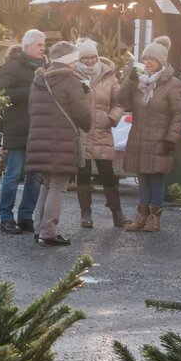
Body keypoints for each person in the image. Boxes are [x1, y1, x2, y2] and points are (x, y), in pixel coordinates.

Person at [26, 41, 91, 246]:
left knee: (47, 184)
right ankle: (49, 232)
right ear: (69, 60)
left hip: (40, 139)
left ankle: (39, 229)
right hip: (61, 140)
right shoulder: (70, 81)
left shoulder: (38, 79)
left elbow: (31, 110)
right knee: (58, 186)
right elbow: (83, 115)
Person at [117, 36, 181, 232]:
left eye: (151, 60)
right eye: (145, 59)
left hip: (160, 138)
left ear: (161, 61)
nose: (147, 63)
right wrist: (129, 80)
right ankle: (141, 216)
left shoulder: (173, 84)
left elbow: (178, 113)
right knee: (142, 177)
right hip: (139, 136)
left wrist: (171, 138)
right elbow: (121, 99)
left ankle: (154, 218)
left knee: (156, 178)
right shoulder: (138, 81)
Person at [0, 29, 46, 234]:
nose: (44, 49)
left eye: (44, 45)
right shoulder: (11, 67)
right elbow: (0, 94)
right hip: (17, 127)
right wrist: (32, 89)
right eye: (39, 45)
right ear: (26, 47)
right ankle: (6, 216)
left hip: (39, 128)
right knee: (14, 173)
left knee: (35, 176)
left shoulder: (45, 67)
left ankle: (26, 216)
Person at [74, 38, 126, 228]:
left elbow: (119, 102)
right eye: (85, 57)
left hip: (102, 131)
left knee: (108, 174)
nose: (89, 61)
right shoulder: (72, 75)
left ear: (97, 57)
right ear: (80, 58)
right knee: (83, 174)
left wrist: (111, 118)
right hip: (81, 131)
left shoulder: (110, 76)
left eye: (92, 57)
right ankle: (85, 214)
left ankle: (117, 213)